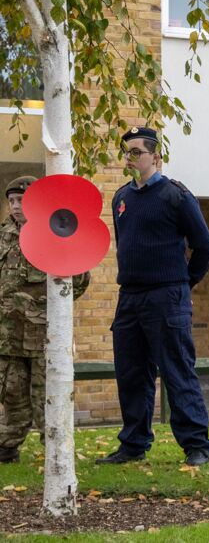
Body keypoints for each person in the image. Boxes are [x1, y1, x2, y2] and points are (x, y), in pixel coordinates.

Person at [98, 126, 209, 466]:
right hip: (130, 298)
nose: (129, 157)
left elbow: (204, 245)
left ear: (156, 157)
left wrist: (183, 283)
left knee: (177, 370)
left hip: (167, 297)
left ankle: (197, 445)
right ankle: (133, 443)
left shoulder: (175, 196)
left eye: (136, 151)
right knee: (131, 372)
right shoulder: (121, 198)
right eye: (126, 152)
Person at [0, 176, 89, 463]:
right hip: (8, 335)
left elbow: (79, 277)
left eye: (21, 201)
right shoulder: (3, 236)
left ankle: (57, 455)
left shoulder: (53, 234)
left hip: (43, 334)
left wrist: (53, 307)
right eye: (11, 201)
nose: (15, 206)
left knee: (46, 397)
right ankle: (6, 446)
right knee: (12, 394)